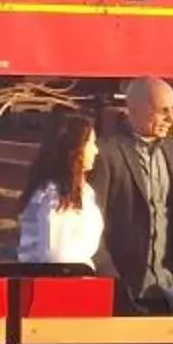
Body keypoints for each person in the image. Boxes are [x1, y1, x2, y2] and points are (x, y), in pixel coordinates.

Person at [91, 77, 173, 315]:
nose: (171, 119)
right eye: (163, 111)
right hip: (124, 284)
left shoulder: (171, 149)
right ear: (135, 110)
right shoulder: (107, 153)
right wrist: (110, 277)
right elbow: (94, 222)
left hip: (165, 283)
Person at [16, 113, 105, 266]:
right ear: (76, 150)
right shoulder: (54, 198)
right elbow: (56, 256)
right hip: (56, 282)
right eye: (91, 143)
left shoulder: (84, 192)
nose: (96, 151)